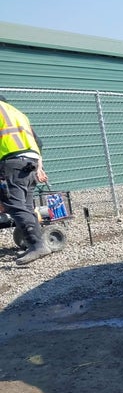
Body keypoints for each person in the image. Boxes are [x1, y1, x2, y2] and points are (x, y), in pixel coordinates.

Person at [0, 95, 51, 265]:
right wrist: (40, 167)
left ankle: (37, 245)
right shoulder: (18, 113)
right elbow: (39, 142)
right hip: (31, 162)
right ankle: (35, 244)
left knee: (14, 205)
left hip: (11, 162)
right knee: (27, 206)